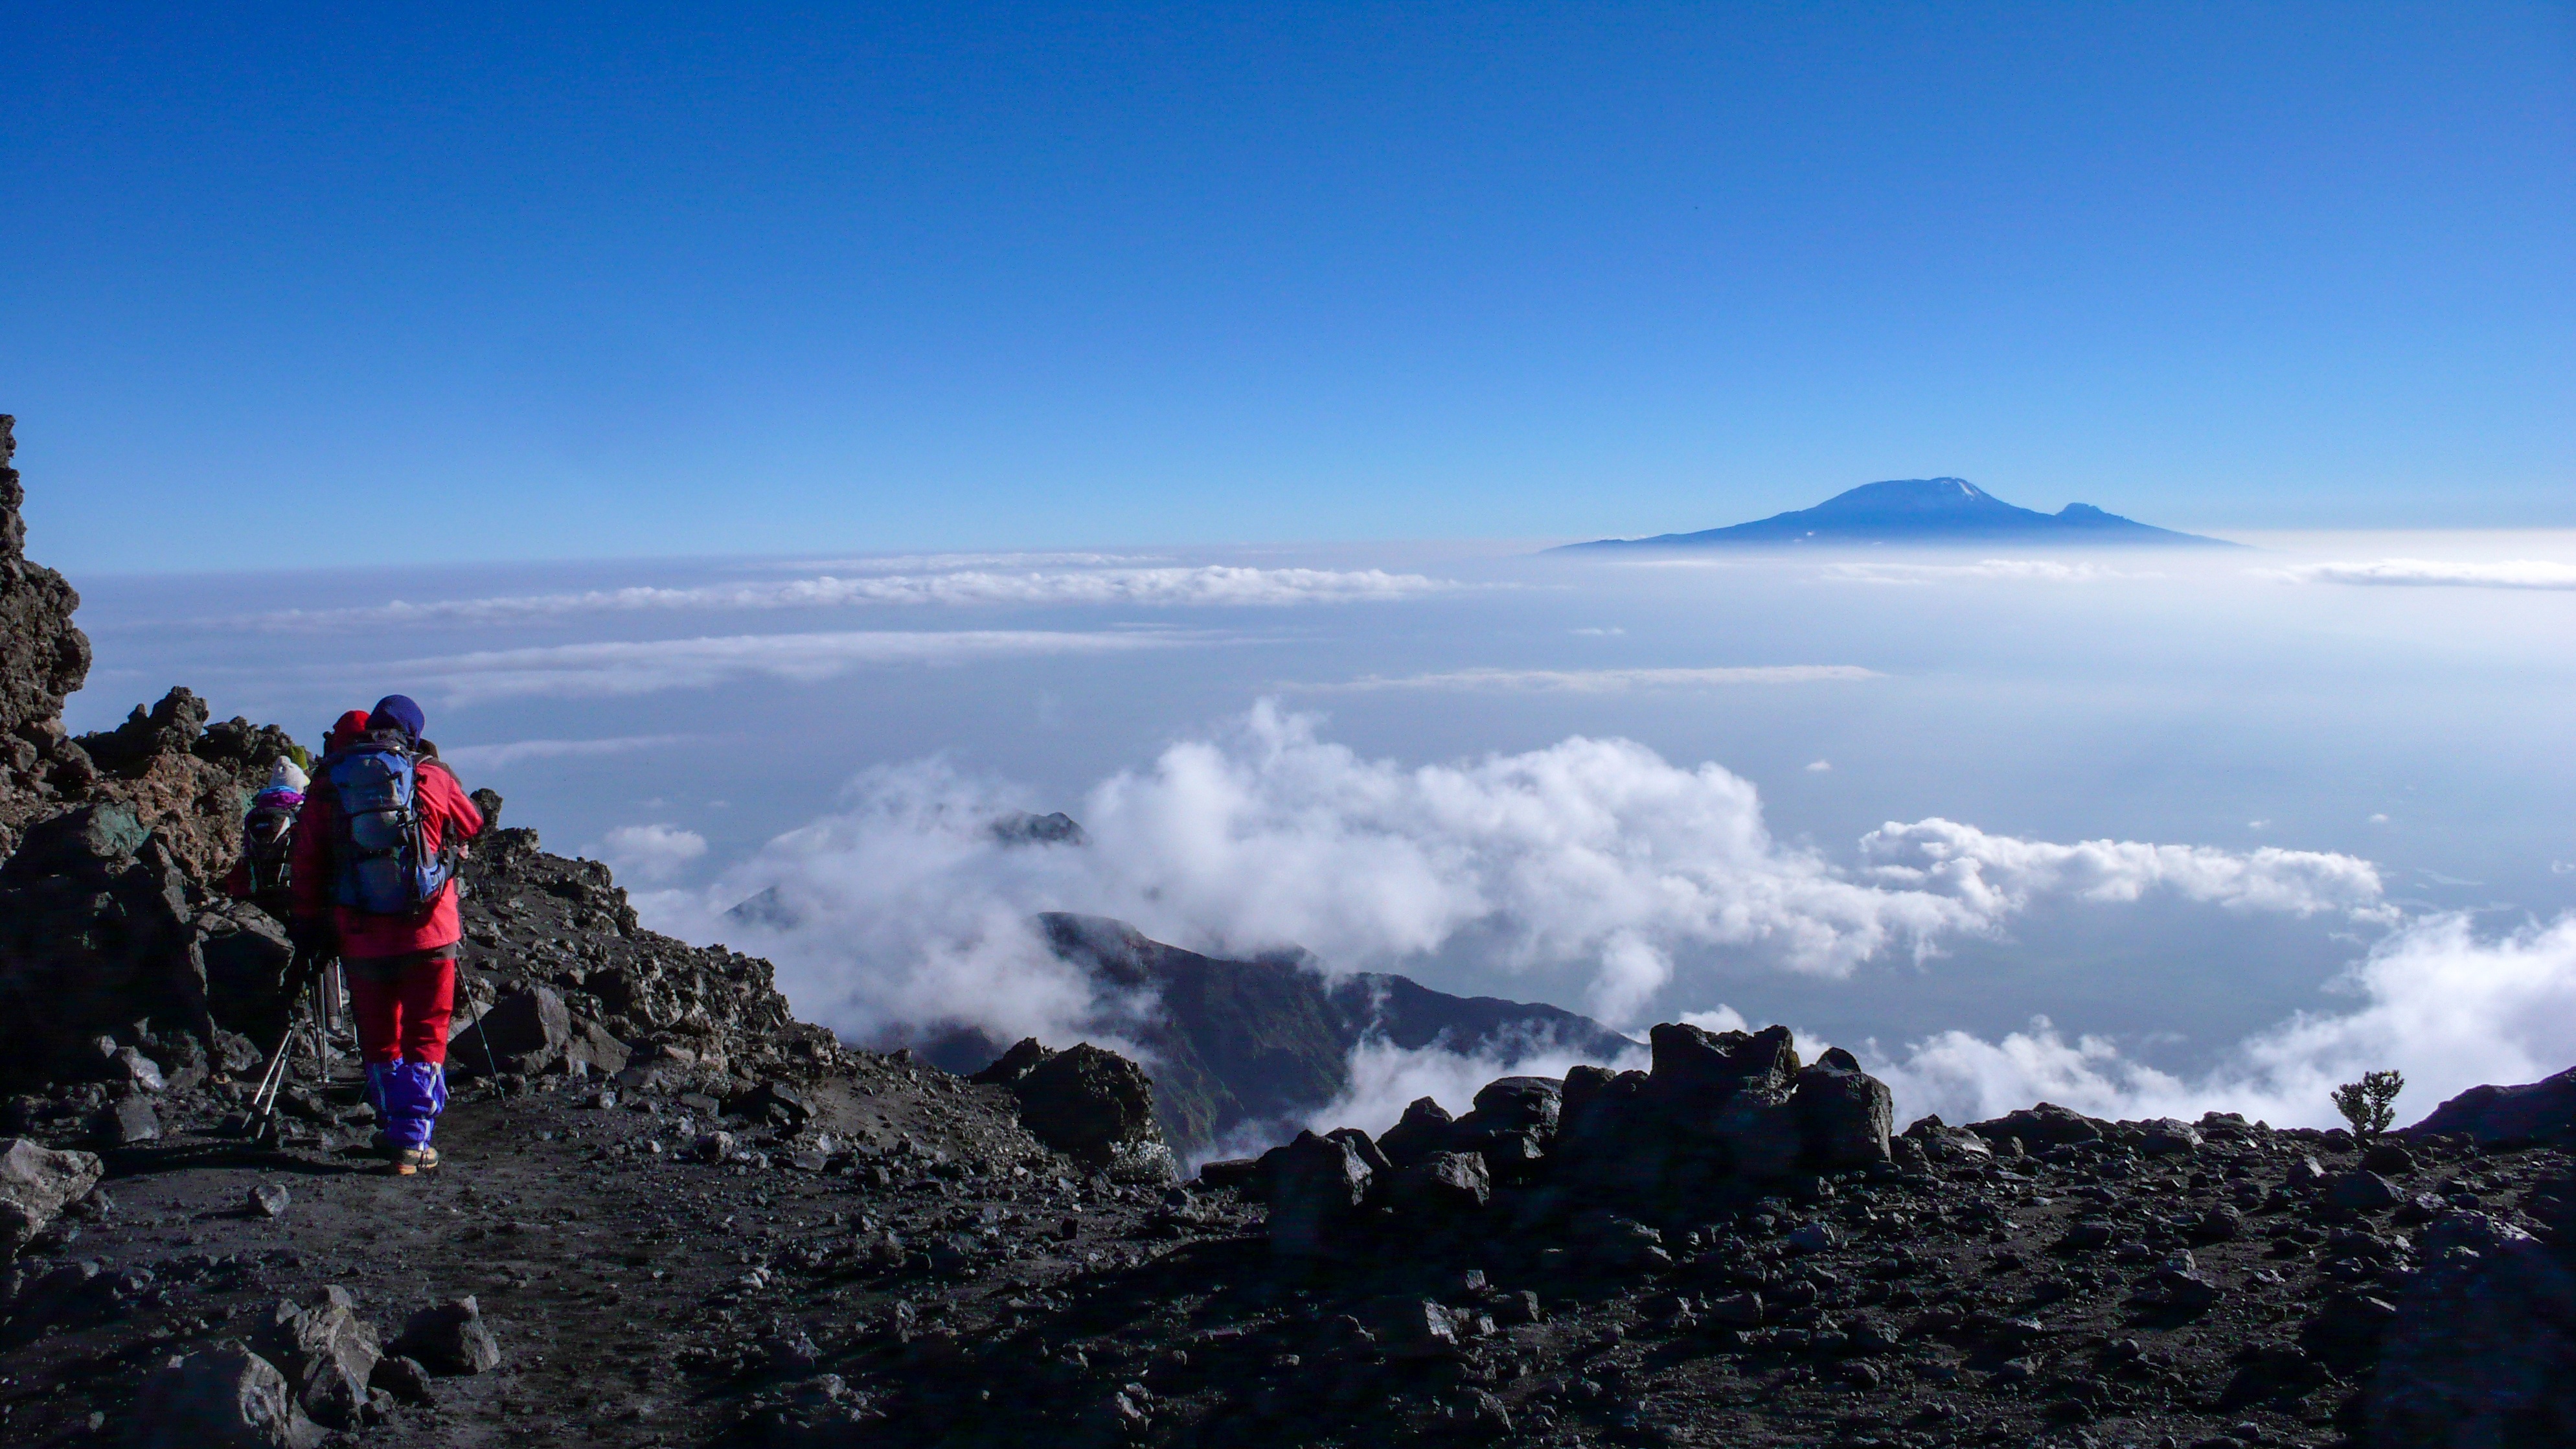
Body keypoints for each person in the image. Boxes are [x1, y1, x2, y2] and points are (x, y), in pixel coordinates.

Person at [290, 694, 484, 1175]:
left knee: (379, 1034)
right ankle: (412, 1138)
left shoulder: (331, 782)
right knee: (425, 1031)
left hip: (360, 934)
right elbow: (473, 822)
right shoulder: (430, 775)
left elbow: (308, 862)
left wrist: (312, 925)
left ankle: (391, 1120)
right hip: (430, 933)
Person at [223, 756, 310, 922]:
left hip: (256, 893)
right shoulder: (299, 812)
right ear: (297, 787)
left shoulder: (254, 814)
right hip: (292, 893)